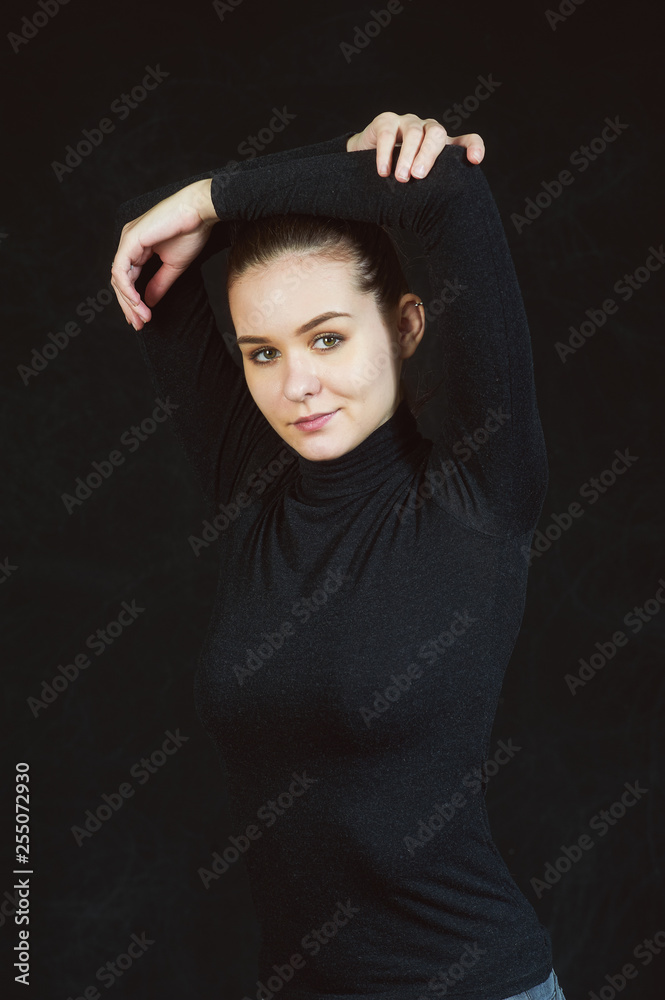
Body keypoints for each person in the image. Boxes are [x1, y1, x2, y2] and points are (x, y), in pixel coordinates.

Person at [111, 111, 567, 1000]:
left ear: (403, 324)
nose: (297, 385)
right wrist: (337, 160)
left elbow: (445, 189)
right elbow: (143, 232)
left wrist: (228, 192)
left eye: (327, 338)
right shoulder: (251, 486)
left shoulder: (481, 492)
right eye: (261, 353)